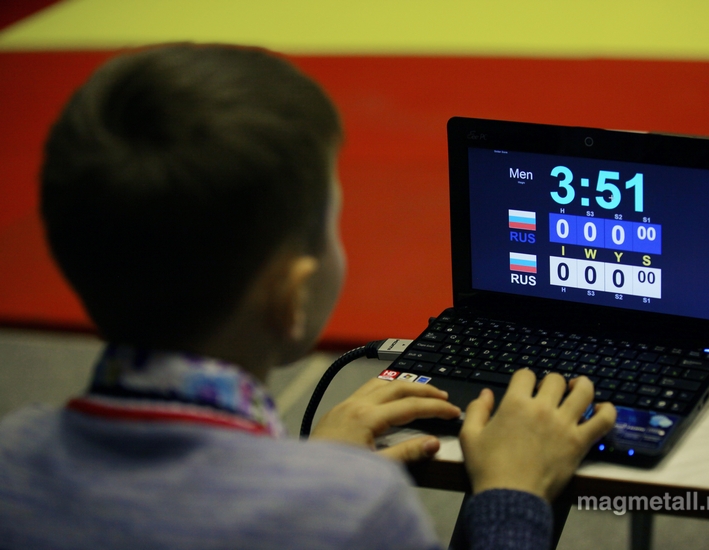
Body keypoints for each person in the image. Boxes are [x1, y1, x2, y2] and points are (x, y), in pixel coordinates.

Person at [0, 43, 616, 549]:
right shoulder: (353, 513)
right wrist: (511, 496)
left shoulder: (11, 453)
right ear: (291, 297)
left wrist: (310, 463)